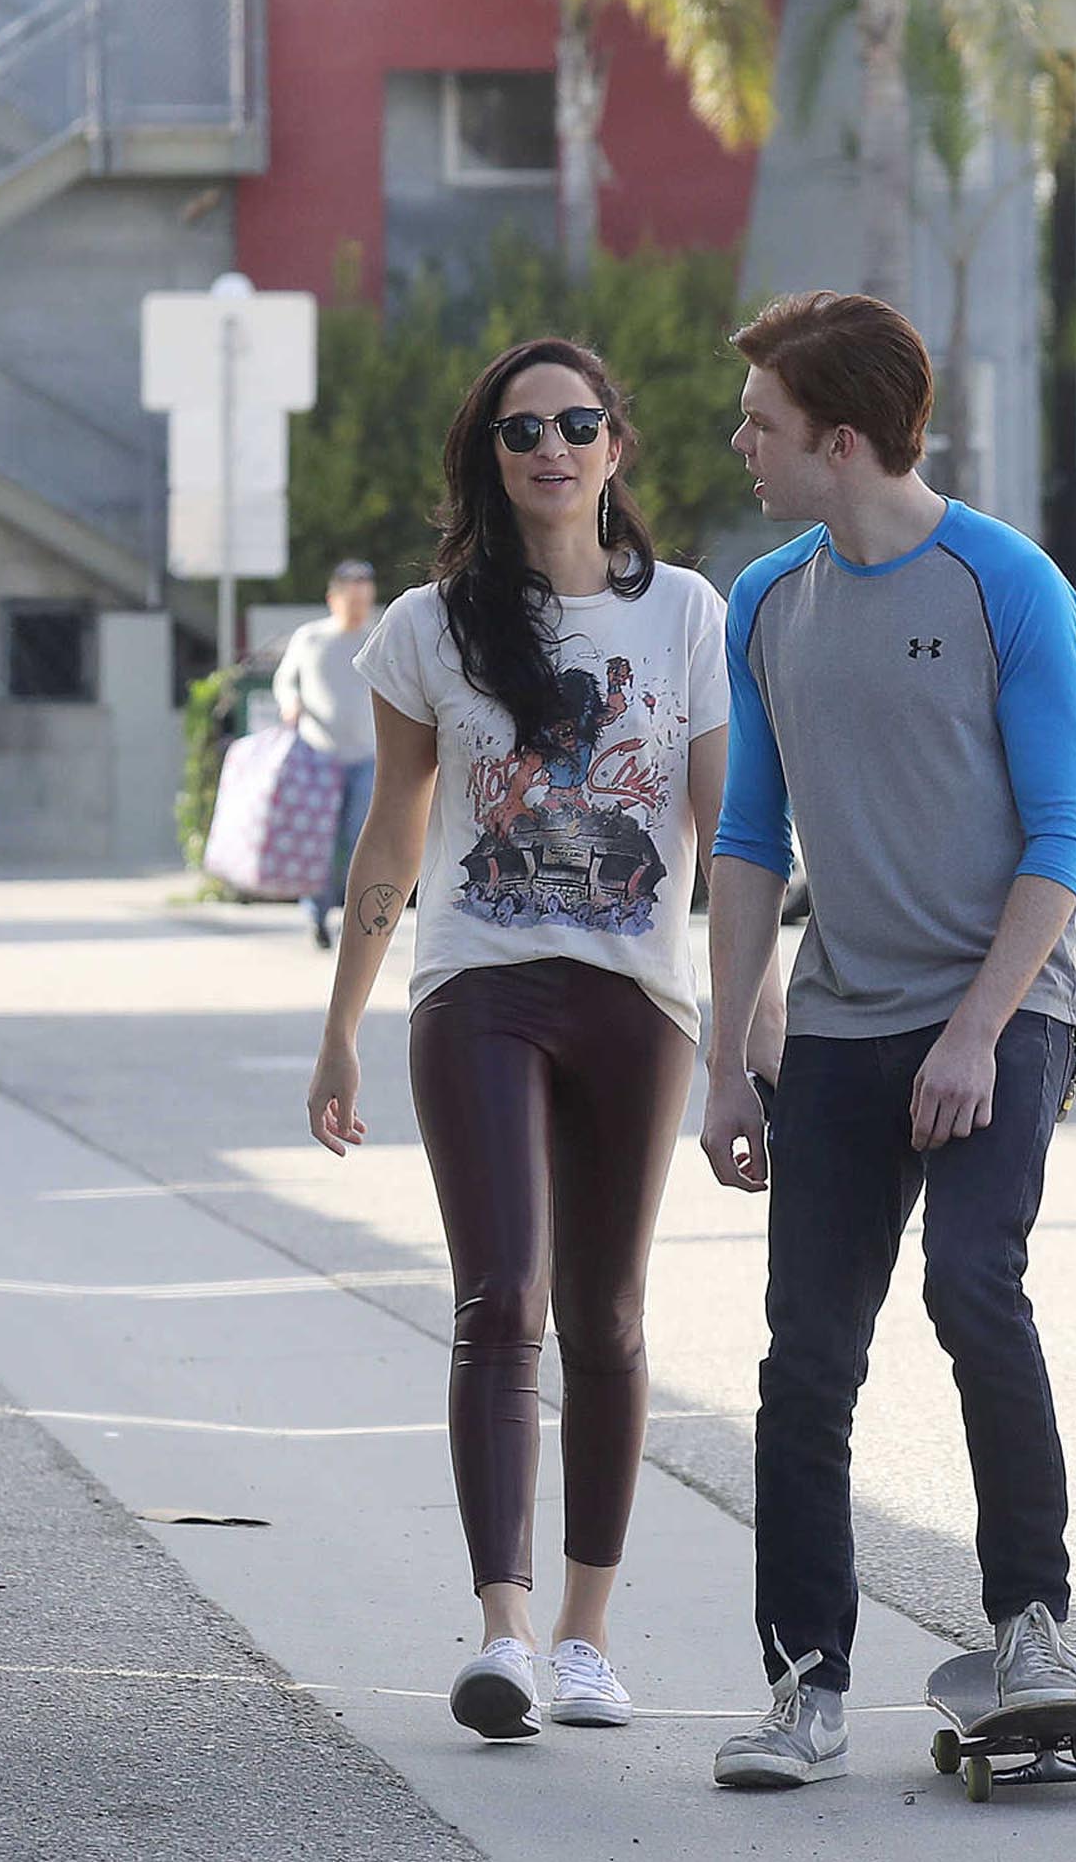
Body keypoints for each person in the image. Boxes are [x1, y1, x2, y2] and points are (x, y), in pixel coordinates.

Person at [305, 337, 749, 1740]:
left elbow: (730, 834)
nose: (550, 447)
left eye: (575, 423)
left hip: (636, 996)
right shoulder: (428, 630)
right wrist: (341, 1028)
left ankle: (584, 1637)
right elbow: (394, 832)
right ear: (487, 462)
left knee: (607, 1318)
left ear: (616, 446)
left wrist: (751, 1016)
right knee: (502, 1295)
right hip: (478, 988)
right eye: (520, 431)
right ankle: (500, 1630)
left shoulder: (686, 613)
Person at [700, 290, 1076, 1789]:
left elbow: (1060, 836)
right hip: (845, 1022)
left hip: (1006, 1008)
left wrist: (978, 1033)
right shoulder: (766, 603)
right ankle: (806, 1686)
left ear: (843, 440)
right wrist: (731, 1055)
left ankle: (1032, 1628)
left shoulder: (1008, 583)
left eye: (765, 425)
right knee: (807, 1361)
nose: (744, 445)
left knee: (972, 1286)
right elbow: (747, 841)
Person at [273, 558, 383, 948]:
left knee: (358, 840)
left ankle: (353, 916)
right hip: (318, 758)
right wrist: (291, 703)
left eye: (363, 597)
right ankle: (316, 913)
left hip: (368, 758)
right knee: (319, 841)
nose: (357, 605)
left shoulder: (379, 636)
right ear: (332, 599)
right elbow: (285, 680)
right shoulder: (311, 638)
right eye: (350, 597)